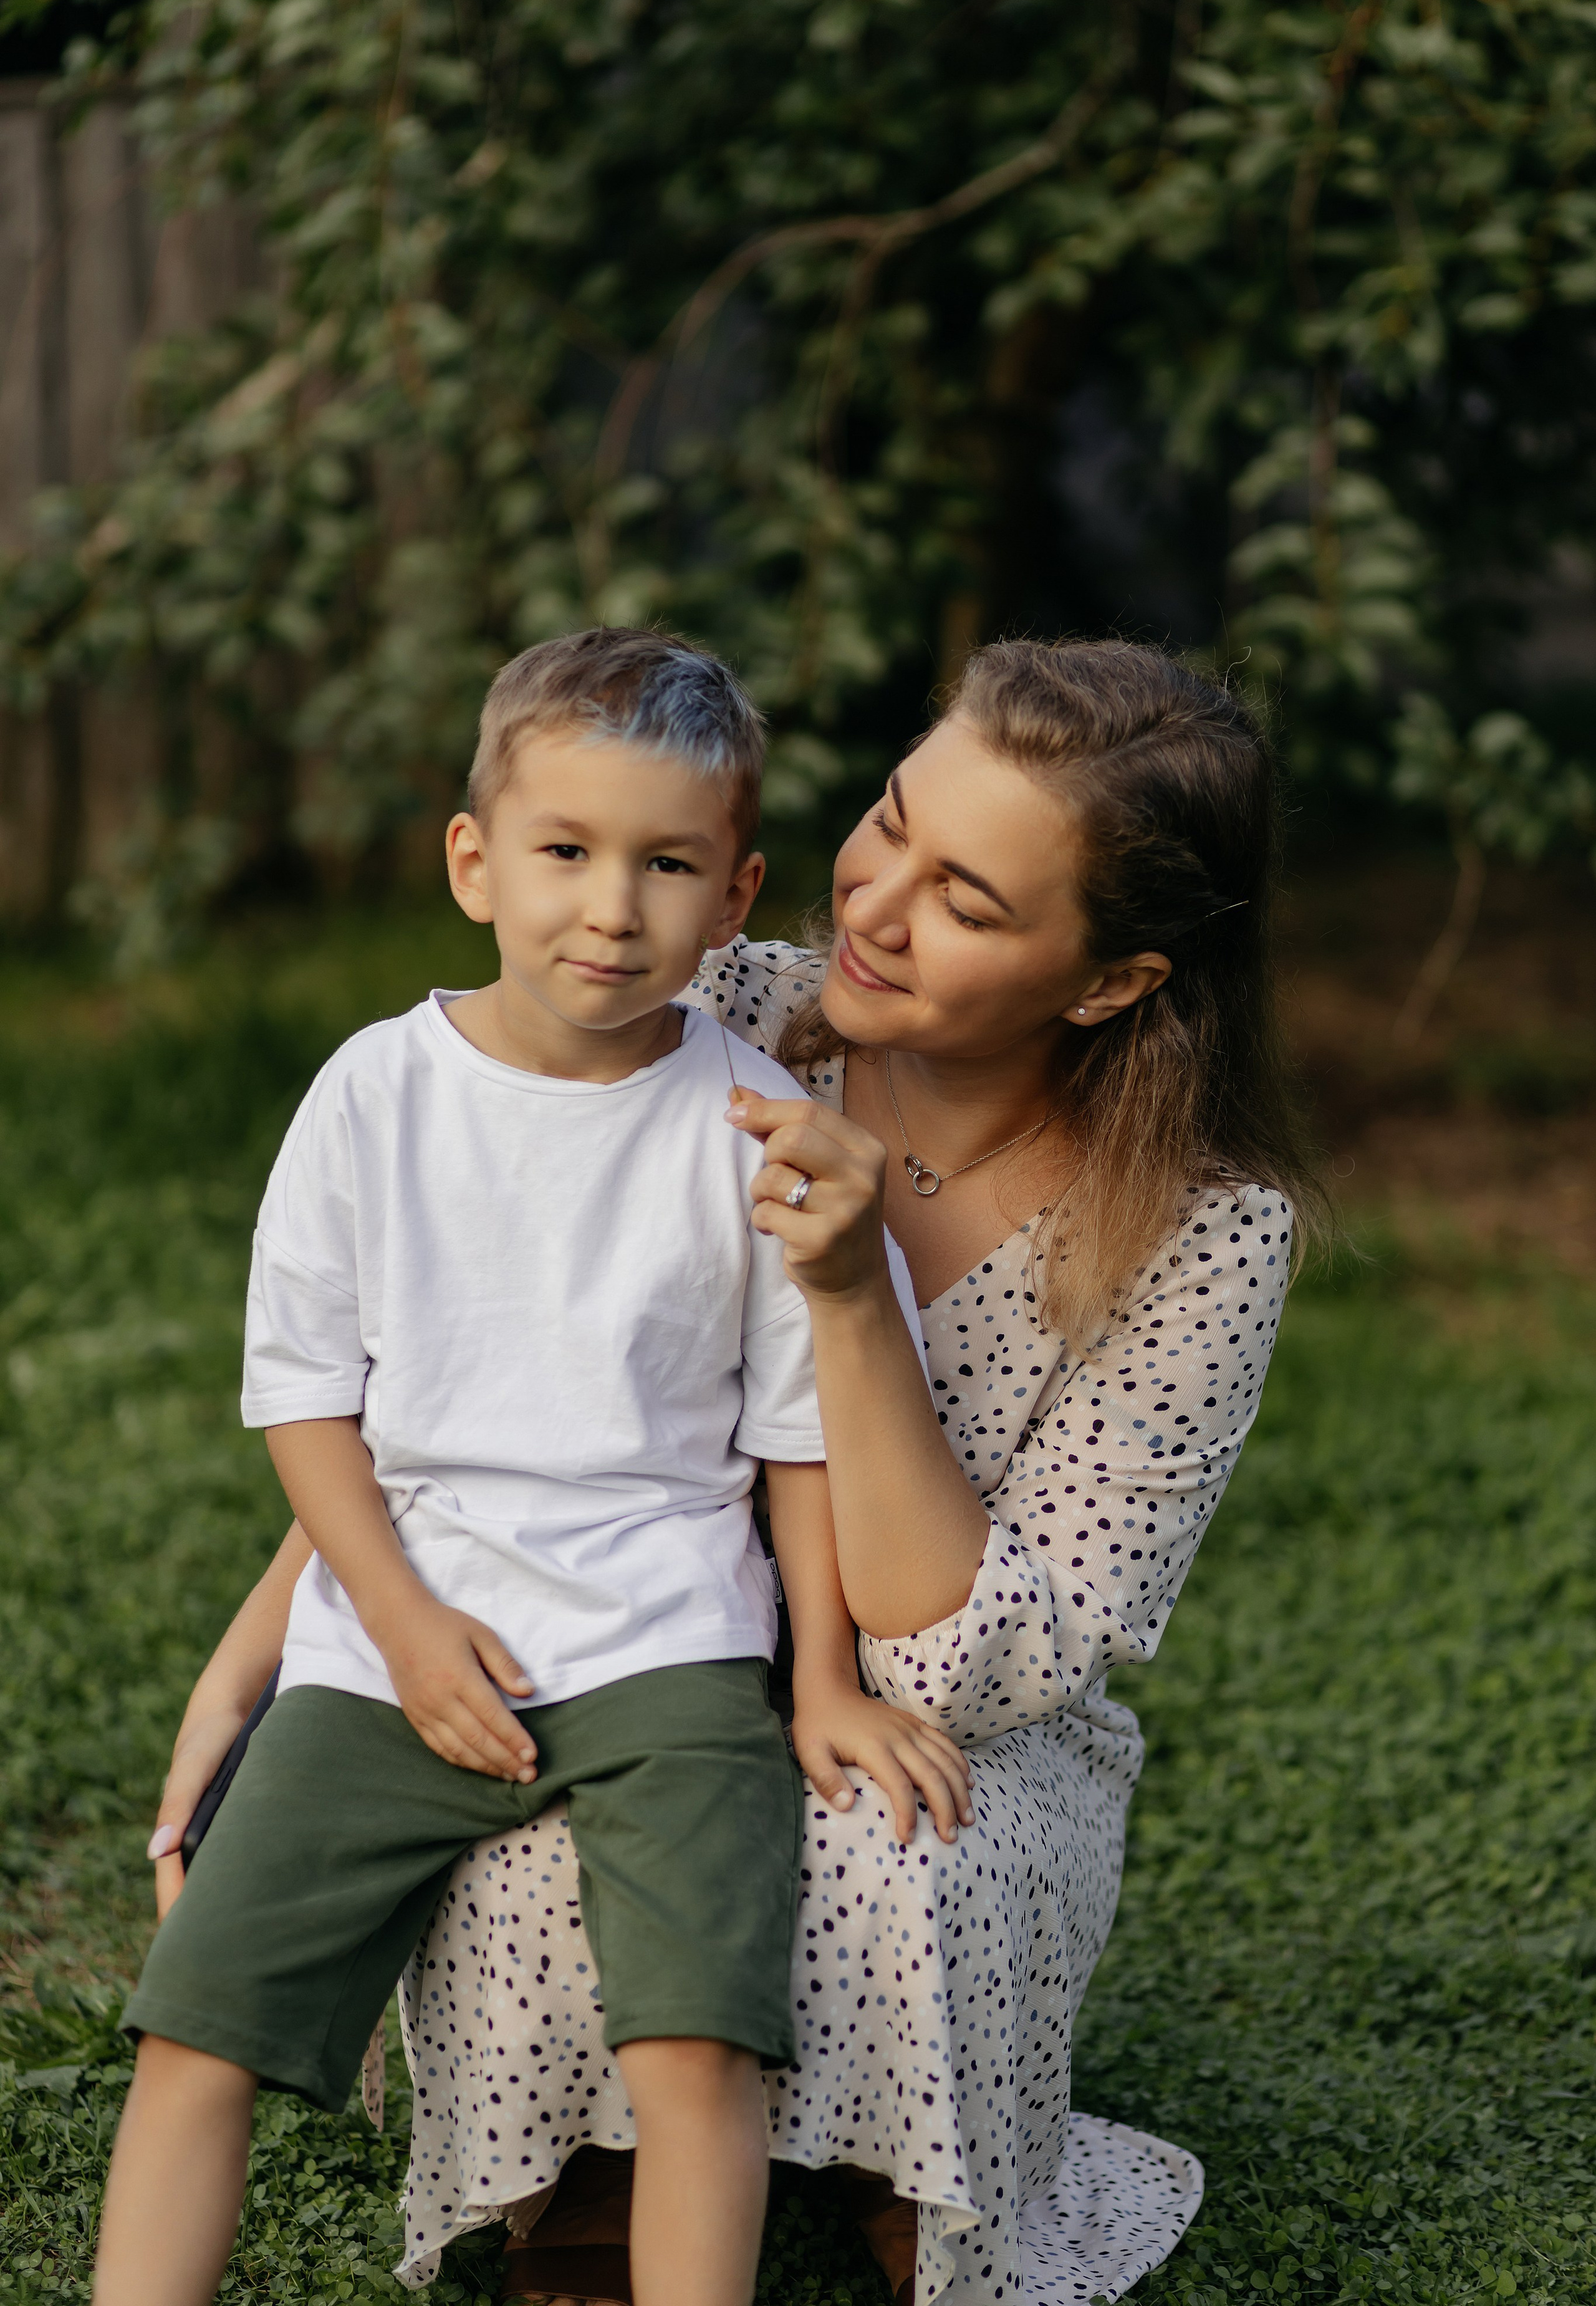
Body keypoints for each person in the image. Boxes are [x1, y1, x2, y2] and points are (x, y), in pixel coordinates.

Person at [151, 636, 1320, 2306]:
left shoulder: (1205, 1236)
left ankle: (896, 2157)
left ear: (1108, 980)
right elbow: (488, 1373)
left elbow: (970, 1651)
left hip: (948, 1720)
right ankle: (588, 2179)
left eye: (968, 903)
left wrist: (851, 1299)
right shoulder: (723, 999)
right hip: (626, 1611)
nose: (879, 905)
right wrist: (271, 1647)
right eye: (892, 824)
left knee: (883, 1851)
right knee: (527, 1810)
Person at [96, 627, 972, 2306]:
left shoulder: (752, 1123)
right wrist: (403, 1628)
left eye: (667, 865)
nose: (609, 907)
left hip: (668, 1649)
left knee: (697, 2048)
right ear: (473, 864)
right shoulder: (372, 1098)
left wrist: (823, 1680)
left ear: (738, 897)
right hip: (395, 1641)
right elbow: (307, 1407)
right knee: (195, 2034)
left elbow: (796, 1443)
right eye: (566, 852)